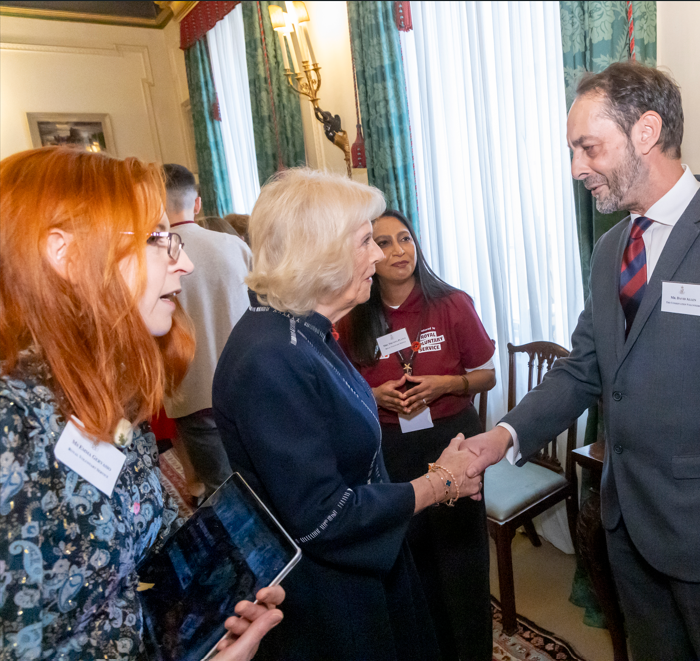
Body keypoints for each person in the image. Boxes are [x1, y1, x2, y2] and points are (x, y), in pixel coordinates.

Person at [461, 60, 700, 660]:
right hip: (627, 526)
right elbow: (584, 368)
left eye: (588, 147)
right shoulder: (610, 250)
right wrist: (502, 437)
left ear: (645, 132)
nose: (577, 169)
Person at [0, 147, 284, 661]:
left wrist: (214, 594)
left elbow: (134, 556)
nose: (186, 262)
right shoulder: (10, 426)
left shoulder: (107, 395)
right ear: (63, 255)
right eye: (157, 239)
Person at [211, 169, 483, 661]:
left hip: (362, 563)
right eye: (365, 241)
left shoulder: (303, 330)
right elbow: (324, 517)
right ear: (321, 252)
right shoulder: (271, 358)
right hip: (331, 594)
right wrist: (440, 483)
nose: (380, 256)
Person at [337, 209, 497, 661]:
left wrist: (447, 384)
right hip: (391, 448)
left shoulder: (451, 303)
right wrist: (374, 395)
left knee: (460, 559)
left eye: (404, 239)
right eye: (383, 242)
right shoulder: (354, 317)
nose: (397, 251)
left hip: (452, 439)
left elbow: (486, 376)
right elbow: (340, 386)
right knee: (412, 555)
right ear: (367, 252)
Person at [162, 164, 249, 504]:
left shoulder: (153, 253)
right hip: (245, 385)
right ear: (196, 204)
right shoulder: (232, 245)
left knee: (221, 492)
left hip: (192, 390)